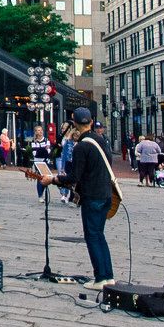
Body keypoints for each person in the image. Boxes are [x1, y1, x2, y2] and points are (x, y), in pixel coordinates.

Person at [37, 108, 117, 290]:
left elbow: (74, 177)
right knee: (99, 235)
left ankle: (100, 279)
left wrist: (53, 179)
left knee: (92, 236)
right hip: (106, 194)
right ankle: (108, 276)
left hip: (92, 196)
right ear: (90, 121)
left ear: (74, 124)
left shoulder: (82, 146)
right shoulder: (101, 140)